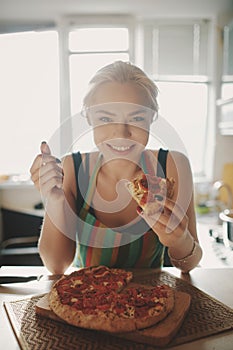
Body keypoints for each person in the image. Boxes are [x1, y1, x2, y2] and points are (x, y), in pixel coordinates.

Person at [30, 61, 202, 275]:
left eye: (137, 118)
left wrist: (180, 240)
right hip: (86, 301)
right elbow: (56, 267)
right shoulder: (72, 168)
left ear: (152, 118)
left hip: (151, 301)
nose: (121, 132)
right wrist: (54, 200)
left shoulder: (172, 165)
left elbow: (189, 264)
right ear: (89, 118)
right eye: (105, 118)